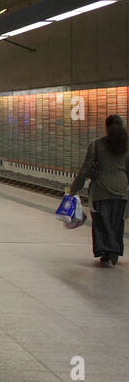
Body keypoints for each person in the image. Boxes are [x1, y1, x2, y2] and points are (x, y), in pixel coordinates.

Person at [69, 114, 129, 267]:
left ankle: (105, 251)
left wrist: (73, 190)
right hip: (121, 190)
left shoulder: (96, 145)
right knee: (117, 222)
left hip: (101, 190)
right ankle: (114, 250)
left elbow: (84, 170)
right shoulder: (126, 146)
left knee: (102, 222)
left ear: (106, 127)